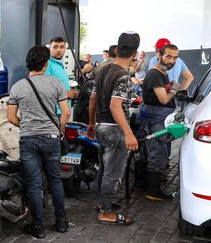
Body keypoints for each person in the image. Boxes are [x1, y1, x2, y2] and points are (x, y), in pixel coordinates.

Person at [7, 45, 70, 238]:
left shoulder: (17, 86)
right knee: (55, 181)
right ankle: (61, 223)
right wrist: (56, 128)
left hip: (28, 140)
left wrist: (26, 126)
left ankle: (38, 227)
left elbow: (11, 117)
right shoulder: (56, 83)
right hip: (51, 139)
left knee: (33, 184)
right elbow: (66, 113)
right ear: (45, 63)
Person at [87, 32, 140, 226]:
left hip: (101, 126)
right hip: (114, 129)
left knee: (104, 169)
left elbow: (93, 99)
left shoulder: (102, 70)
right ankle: (106, 212)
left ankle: (104, 203)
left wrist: (92, 123)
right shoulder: (123, 76)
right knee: (113, 172)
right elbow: (115, 106)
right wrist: (129, 133)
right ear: (135, 53)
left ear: (116, 50)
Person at [135, 44, 180, 201]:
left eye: (175, 57)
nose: (172, 60)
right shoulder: (155, 75)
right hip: (156, 119)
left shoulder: (161, 73)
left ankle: (140, 185)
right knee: (158, 153)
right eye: (168, 56)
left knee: (146, 152)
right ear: (159, 55)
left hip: (153, 117)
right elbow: (163, 99)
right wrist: (174, 89)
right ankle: (153, 191)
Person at [45, 37, 78, 108]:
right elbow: (44, 90)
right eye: (55, 47)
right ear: (49, 49)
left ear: (65, 49)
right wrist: (67, 94)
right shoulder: (47, 65)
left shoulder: (59, 64)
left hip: (63, 110)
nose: (59, 50)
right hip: (54, 111)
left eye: (62, 47)